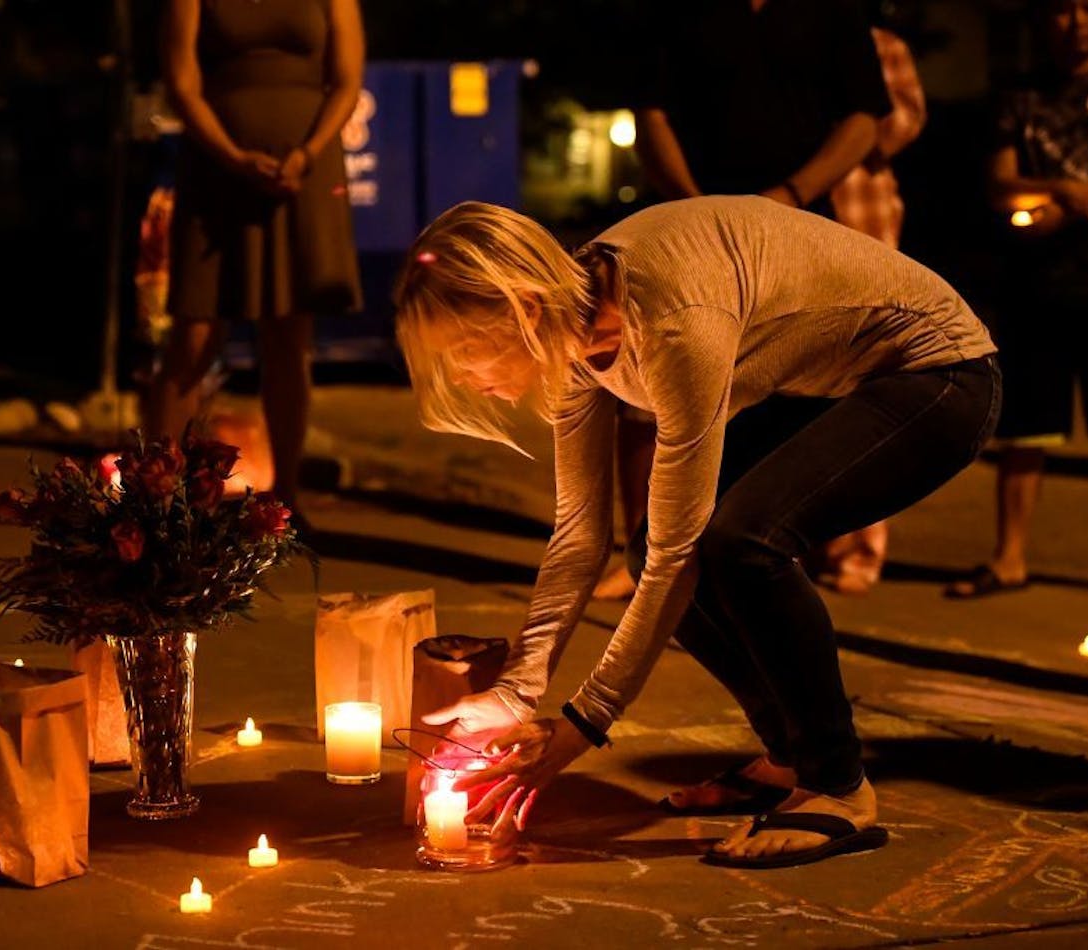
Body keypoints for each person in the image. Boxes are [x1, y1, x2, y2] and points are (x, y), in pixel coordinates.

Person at [397, 196, 999, 869]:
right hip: (825, 388)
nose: (465, 378)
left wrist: (580, 726)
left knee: (742, 543)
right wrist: (517, 689)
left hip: (939, 376)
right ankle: (788, 756)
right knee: (648, 544)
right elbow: (578, 532)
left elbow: (677, 557)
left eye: (467, 350)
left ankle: (837, 787)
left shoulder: (673, 323)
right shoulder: (572, 329)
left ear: (523, 312)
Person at [591, 0, 894, 600]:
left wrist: (792, 193)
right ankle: (648, 558)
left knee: (795, 394)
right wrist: (696, 208)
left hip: (801, 219)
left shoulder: (835, 11)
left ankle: (776, 551)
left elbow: (863, 117)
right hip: (689, 221)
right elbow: (651, 113)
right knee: (654, 388)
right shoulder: (679, 13)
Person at [145, 0, 364, 524]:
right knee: (194, 334)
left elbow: (347, 81)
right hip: (218, 167)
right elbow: (182, 81)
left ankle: (286, 496)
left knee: (289, 337)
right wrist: (230, 155)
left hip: (301, 172)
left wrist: (307, 153)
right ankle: (156, 499)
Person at [945, 0, 1088, 598]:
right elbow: (1000, 184)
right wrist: (1066, 194)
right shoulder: (1020, 95)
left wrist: (1082, 200)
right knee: (1026, 433)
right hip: (1041, 281)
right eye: (1063, 11)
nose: (1077, 22)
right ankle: (1009, 557)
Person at [818, 22, 929, 595]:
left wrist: (843, 130)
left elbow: (904, 121)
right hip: (800, 223)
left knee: (869, 392)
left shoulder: (879, 43)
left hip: (863, 224)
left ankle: (862, 546)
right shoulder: (790, 34)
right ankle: (803, 539)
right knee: (797, 395)